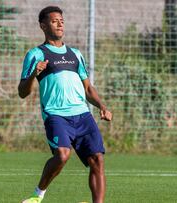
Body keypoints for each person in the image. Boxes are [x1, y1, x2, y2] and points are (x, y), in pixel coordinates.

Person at [19, 6, 112, 203]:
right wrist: (33, 75)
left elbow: (87, 88)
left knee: (97, 160)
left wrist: (102, 106)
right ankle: (38, 195)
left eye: (62, 20)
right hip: (56, 115)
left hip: (83, 115)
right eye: (54, 21)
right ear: (43, 26)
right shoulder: (36, 54)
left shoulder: (75, 54)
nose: (60, 23)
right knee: (62, 154)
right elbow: (22, 92)